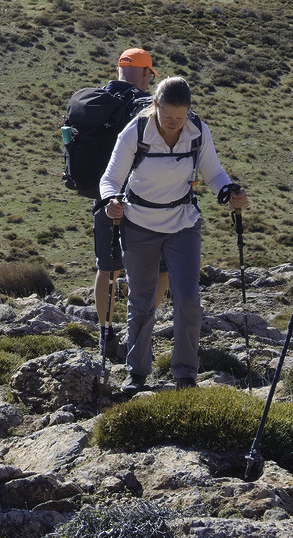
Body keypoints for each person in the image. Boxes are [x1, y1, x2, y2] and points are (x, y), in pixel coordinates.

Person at [98, 75, 245, 391]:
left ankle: (185, 376)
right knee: (141, 300)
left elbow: (214, 174)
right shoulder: (135, 132)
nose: (175, 124)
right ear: (154, 107)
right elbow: (110, 178)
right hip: (139, 225)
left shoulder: (197, 131)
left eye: (180, 117)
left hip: (183, 225)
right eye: (168, 118)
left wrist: (229, 191)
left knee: (189, 300)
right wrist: (111, 200)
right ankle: (136, 374)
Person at [79, 48, 159, 344]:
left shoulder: (97, 103)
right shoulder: (147, 105)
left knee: (108, 267)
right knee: (157, 268)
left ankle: (105, 332)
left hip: (104, 195)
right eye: (149, 74)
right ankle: (139, 333)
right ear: (143, 73)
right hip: (143, 198)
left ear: (118, 71)